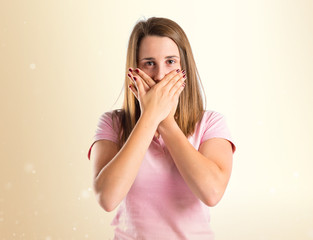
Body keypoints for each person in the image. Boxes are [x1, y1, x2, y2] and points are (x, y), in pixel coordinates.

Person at [87, 17, 236, 240]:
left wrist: (166, 122)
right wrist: (150, 117)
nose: (159, 75)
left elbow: (212, 193)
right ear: (135, 69)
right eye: (149, 63)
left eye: (170, 62)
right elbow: (107, 198)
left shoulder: (211, 123)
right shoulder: (112, 124)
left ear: (184, 67)